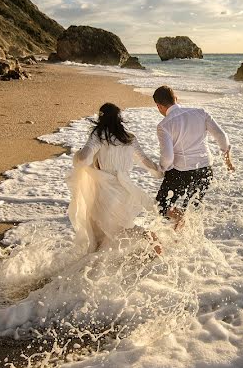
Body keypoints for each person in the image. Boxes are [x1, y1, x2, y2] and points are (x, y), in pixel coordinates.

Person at [68, 102, 163, 252]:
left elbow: (83, 159)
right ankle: (147, 242)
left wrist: (78, 155)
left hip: (105, 191)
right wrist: (160, 172)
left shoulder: (99, 136)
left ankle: (146, 236)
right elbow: (146, 162)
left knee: (101, 233)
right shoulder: (129, 138)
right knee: (118, 228)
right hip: (125, 190)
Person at [153, 85, 234, 223]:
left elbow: (168, 158)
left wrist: (161, 169)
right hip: (205, 170)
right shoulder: (200, 112)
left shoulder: (164, 125)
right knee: (190, 208)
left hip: (181, 173)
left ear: (159, 106)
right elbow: (221, 136)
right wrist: (227, 160)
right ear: (176, 99)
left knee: (161, 206)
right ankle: (184, 238)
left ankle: (181, 226)